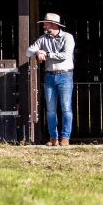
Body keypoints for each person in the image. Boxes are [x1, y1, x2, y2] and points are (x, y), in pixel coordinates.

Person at [27, 13, 75, 146]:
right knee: (50, 109)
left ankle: (65, 137)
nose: (44, 26)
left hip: (65, 75)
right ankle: (53, 138)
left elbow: (65, 55)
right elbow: (28, 51)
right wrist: (37, 52)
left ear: (53, 25)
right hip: (50, 76)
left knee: (66, 108)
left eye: (46, 23)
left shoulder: (68, 37)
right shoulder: (43, 39)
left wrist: (46, 54)